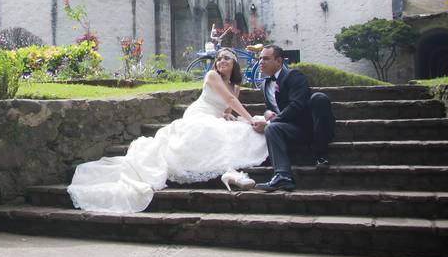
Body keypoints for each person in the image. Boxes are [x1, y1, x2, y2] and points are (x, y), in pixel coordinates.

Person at [67, 48, 267, 214]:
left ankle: (230, 172)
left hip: (213, 116)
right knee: (211, 130)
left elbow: (228, 107)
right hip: (199, 114)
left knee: (233, 131)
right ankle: (229, 172)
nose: (222, 61)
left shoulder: (235, 85)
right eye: (219, 58)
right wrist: (250, 120)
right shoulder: (212, 75)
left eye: (227, 58)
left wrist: (230, 117)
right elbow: (230, 100)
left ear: (234, 63)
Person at [253, 44, 336, 192]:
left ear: (279, 61)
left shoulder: (294, 76)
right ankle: (283, 176)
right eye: (260, 58)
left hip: (305, 127)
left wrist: (270, 121)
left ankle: (320, 153)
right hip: (286, 128)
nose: (261, 62)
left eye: (265, 58)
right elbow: (270, 107)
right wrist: (268, 114)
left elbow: (297, 105)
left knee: (319, 98)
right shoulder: (265, 84)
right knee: (272, 128)